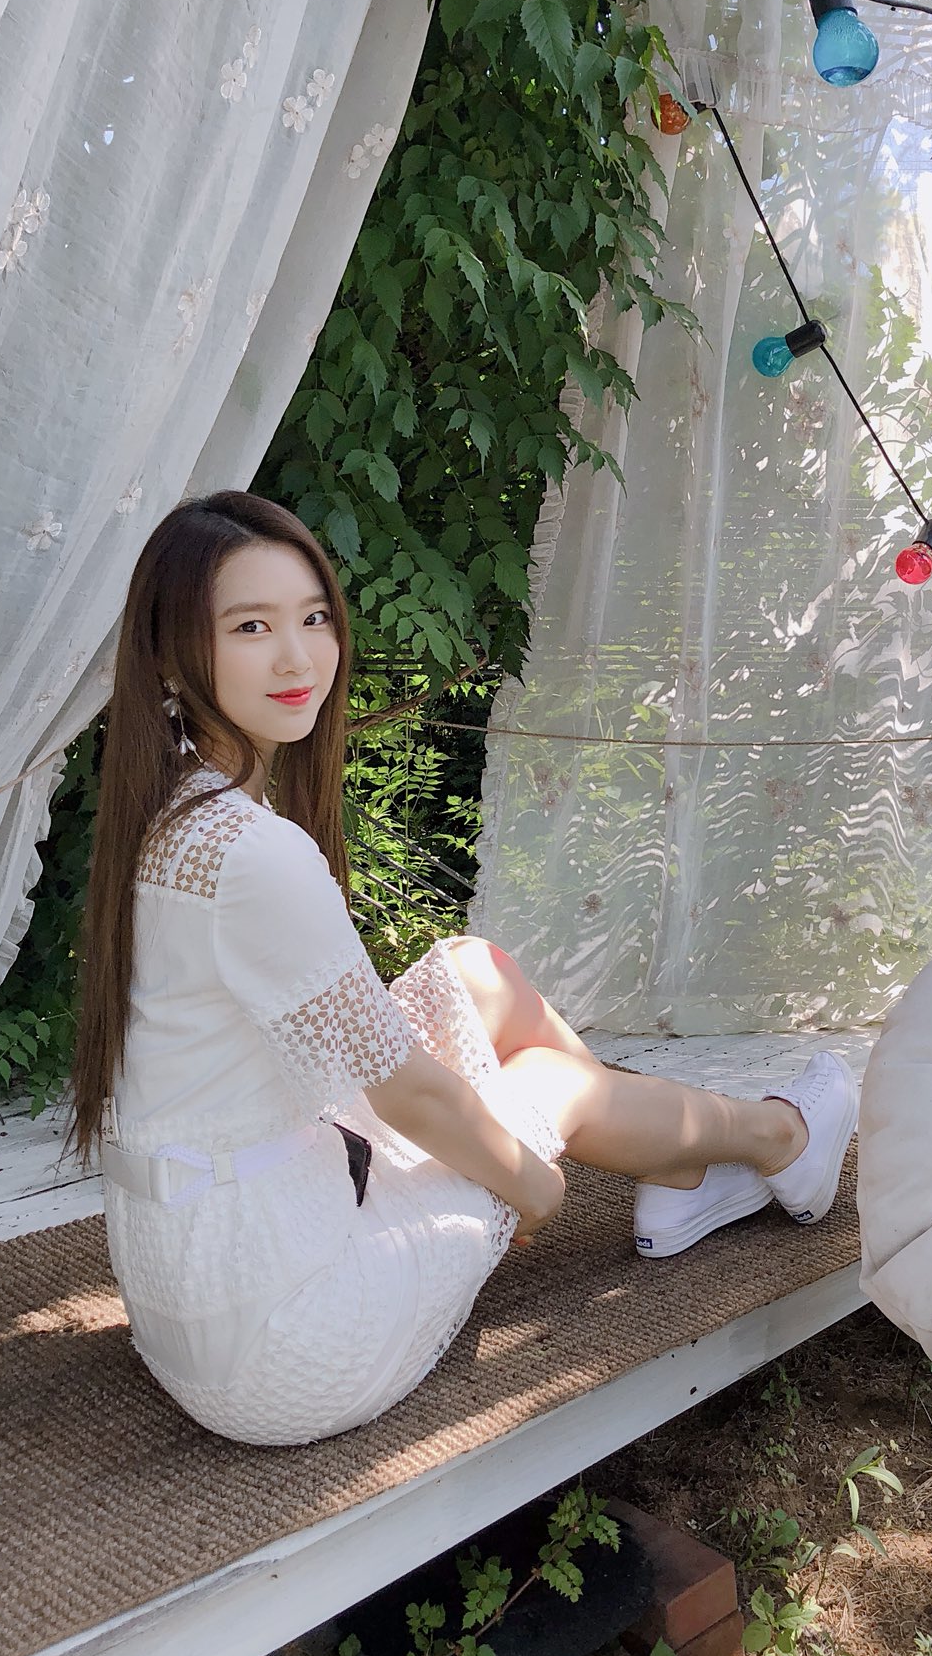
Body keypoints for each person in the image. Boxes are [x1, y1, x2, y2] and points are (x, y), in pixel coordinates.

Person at [70, 491, 858, 1446]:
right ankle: (776, 1140)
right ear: (171, 654)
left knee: (475, 971)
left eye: (313, 618)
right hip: (290, 1341)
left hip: (203, 1291)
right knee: (554, 1086)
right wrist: (537, 1189)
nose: (298, 658)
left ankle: (683, 1168)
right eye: (250, 627)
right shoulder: (253, 854)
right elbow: (410, 1097)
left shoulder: (172, 810)